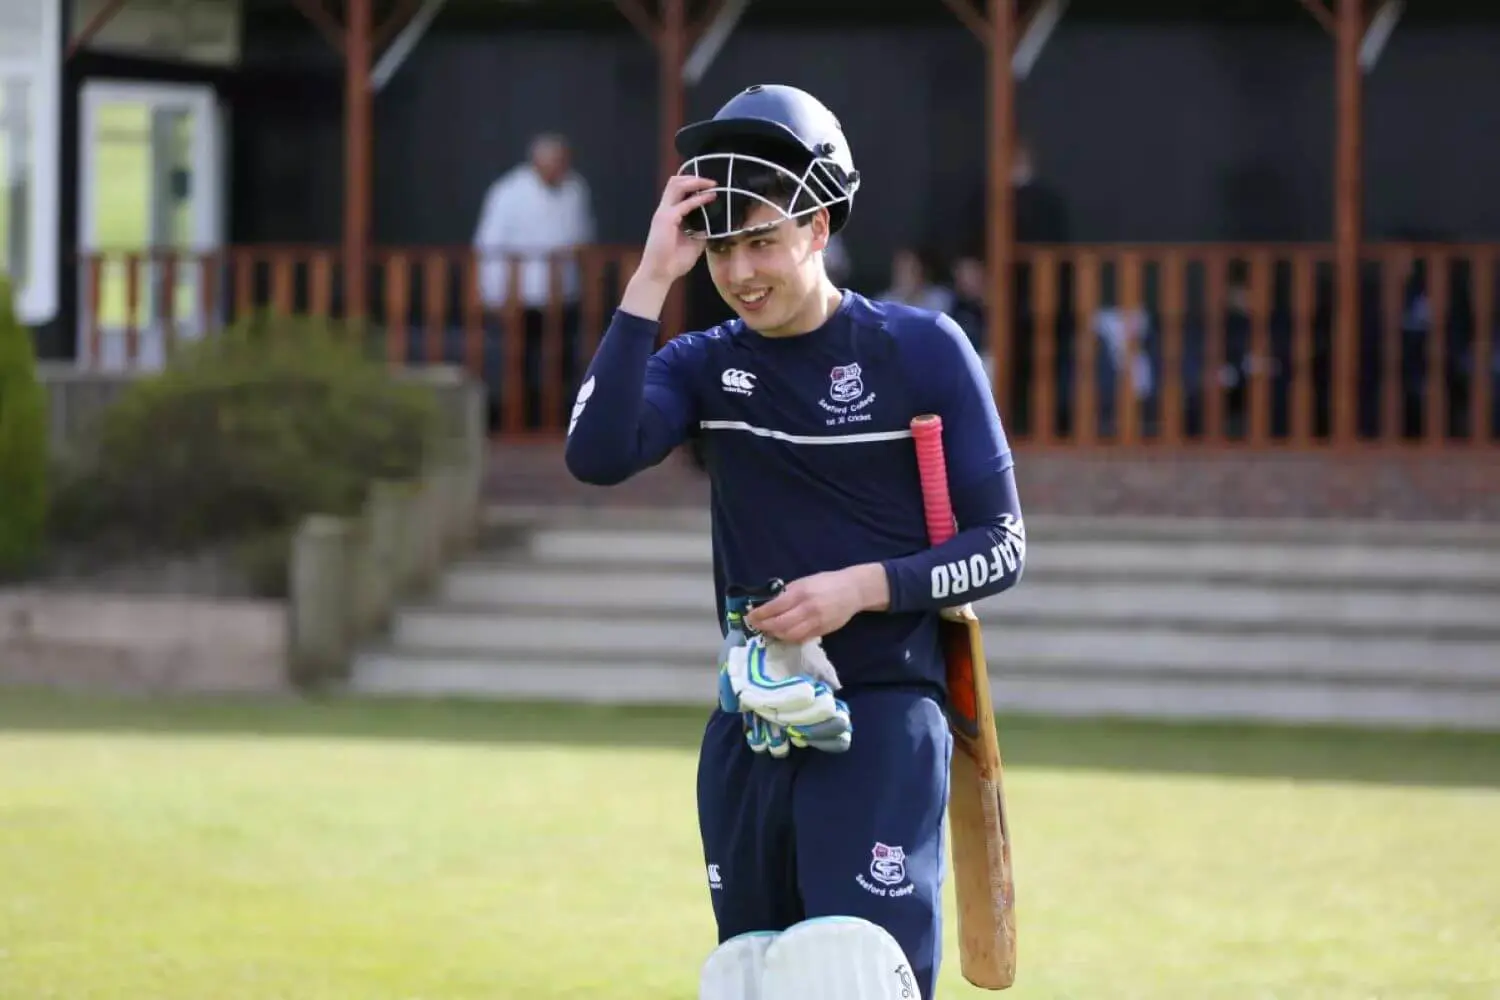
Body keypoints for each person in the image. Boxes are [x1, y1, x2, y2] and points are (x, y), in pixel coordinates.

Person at [563, 84, 1026, 1000]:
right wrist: (652, 277)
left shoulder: (922, 349)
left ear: (819, 230)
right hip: (750, 724)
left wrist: (862, 587)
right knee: (748, 980)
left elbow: (1002, 546)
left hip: (885, 718)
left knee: (842, 977)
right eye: (722, 248)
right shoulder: (704, 363)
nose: (739, 272)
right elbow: (596, 453)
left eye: (763, 240)